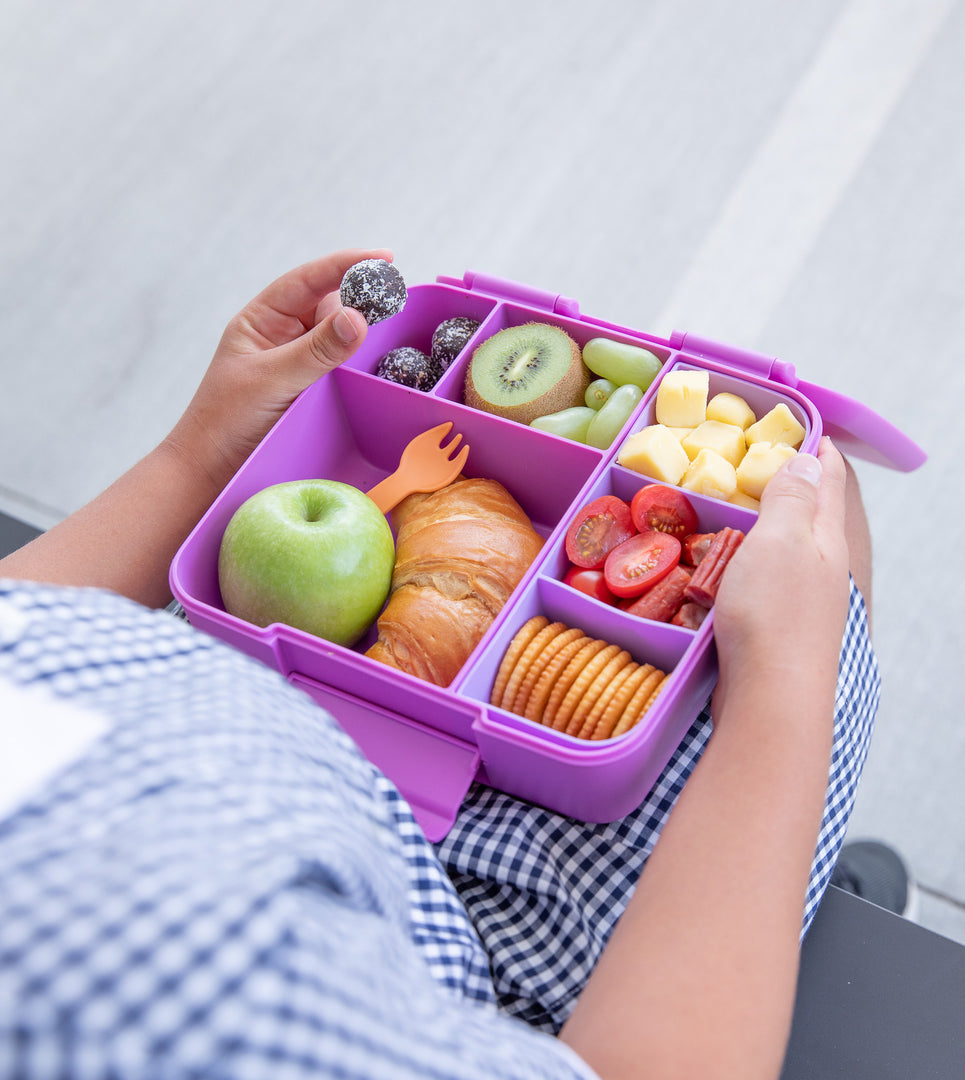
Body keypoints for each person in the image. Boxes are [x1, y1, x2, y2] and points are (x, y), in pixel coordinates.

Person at [0, 249, 881, 1079]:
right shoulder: (181, 1007)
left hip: (310, 778)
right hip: (463, 955)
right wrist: (781, 691)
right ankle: (804, 869)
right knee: (829, 560)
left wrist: (199, 456)